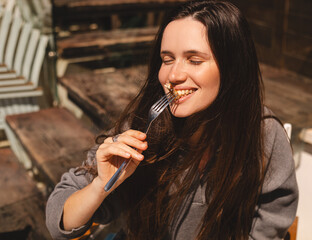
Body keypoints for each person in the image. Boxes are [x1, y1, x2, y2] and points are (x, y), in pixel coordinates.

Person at [46, 1, 299, 239]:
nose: (174, 75)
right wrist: (101, 184)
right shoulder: (145, 127)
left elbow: (269, 221)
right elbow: (59, 222)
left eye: (194, 60)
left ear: (232, 68)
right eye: (167, 59)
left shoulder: (261, 133)